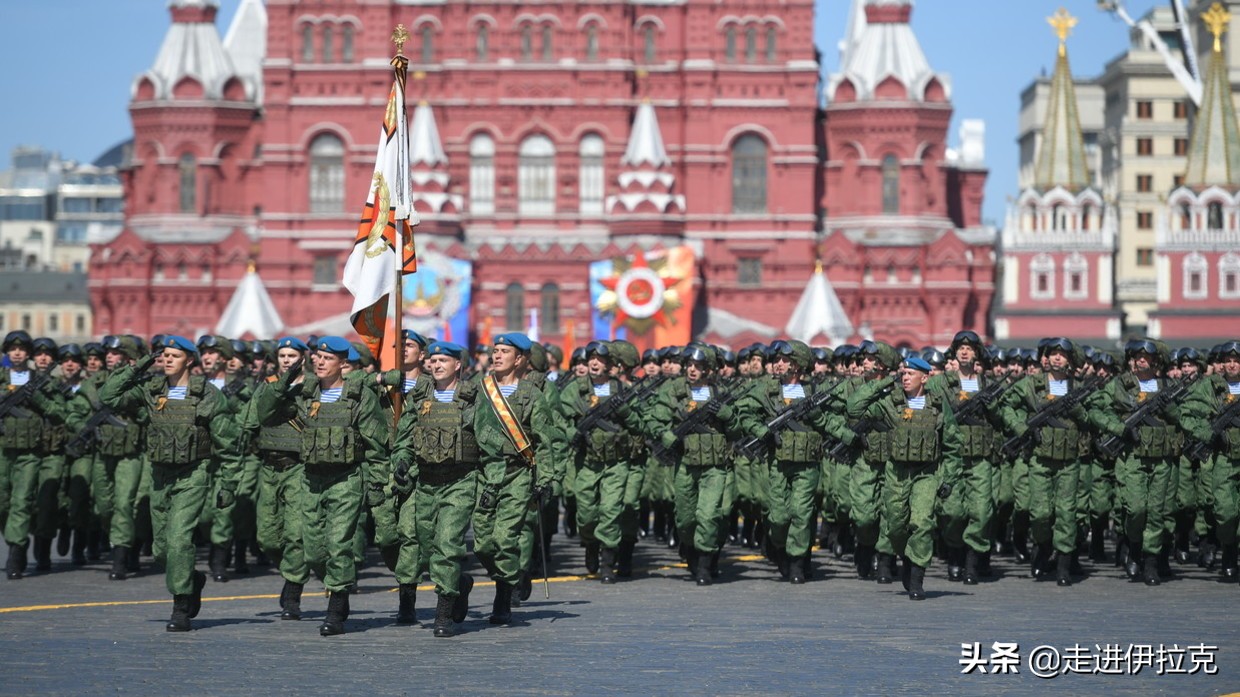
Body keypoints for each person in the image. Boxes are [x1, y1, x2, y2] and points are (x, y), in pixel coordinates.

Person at [100, 336, 242, 631]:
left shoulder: (207, 395)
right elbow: (108, 396)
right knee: (161, 549)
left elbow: (229, 445)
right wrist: (138, 366)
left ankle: (179, 606)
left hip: (193, 474)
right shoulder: (152, 390)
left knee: (178, 540)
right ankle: (193, 578)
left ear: (190, 360)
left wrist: (228, 484)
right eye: (163, 355)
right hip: (160, 475)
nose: (166, 360)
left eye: (173, 356)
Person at [256, 336, 390, 636]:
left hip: (345, 479)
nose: (318, 362)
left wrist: (378, 485)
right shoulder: (305, 393)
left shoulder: (358, 397)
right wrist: (284, 380)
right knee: (314, 551)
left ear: (343, 364)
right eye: (316, 357)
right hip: (311, 478)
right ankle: (334, 588)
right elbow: (264, 414)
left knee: (339, 543)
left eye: (326, 359)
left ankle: (336, 607)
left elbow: (376, 446)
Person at [848, 356, 961, 600]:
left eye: (911, 374)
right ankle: (908, 557)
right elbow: (854, 408)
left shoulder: (938, 406)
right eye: (903, 373)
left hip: (926, 474)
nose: (905, 378)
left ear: (925, 377)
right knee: (896, 526)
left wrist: (949, 479)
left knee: (921, 523)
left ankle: (917, 577)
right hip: (897, 473)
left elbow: (952, 445)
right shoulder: (891, 403)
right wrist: (883, 382)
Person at [391, 341, 478, 636]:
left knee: (446, 546)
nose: (437, 365)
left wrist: (491, 483)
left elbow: (489, 444)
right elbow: (404, 437)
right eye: (434, 360)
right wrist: (402, 461)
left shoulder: (472, 398)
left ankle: (443, 616)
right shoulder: (420, 397)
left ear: (458, 365)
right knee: (427, 550)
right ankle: (460, 585)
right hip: (426, 482)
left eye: (444, 360)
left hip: (459, 482)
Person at [473, 332, 558, 623]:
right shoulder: (479, 389)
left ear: (519, 359)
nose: (496, 356)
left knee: (504, 537)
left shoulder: (531, 395)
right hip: (485, 475)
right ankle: (509, 576)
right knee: (482, 542)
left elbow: (545, 441)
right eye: (494, 351)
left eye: (504, 352)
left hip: (517, 474)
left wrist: (545, 479)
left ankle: (503, 597)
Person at [650, 344, 747, 585]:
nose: (692, 370)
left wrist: (727, 415)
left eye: (699, 366)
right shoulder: (673, 391)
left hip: (715, 466)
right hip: (685, 463)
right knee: (685, 519)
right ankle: (691, 548)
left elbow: (736, 431)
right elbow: (654, 420)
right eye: (690, 365)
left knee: (709, 514)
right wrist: (665, 435)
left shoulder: (720, 393)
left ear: (708, 369)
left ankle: (705, 562)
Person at [242, 337, 311, 620]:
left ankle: (293, 589)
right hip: (269, 468)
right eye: (282, 355)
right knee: (267, 537)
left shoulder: (312, 387)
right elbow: (257, 416)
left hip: (298, 467)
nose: (286, 360)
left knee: (295, 533)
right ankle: (290, 572)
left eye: (292, 355)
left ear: (302, 358)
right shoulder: (268, 385)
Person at [2, 331, 68, 579]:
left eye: (21, 349)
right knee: (2, 502)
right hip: (3, 449)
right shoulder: (1, 377)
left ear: (27, 354)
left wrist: (37, 398)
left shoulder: (41, 382)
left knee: (21, 501)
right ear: (7, 353)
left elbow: (59, 413)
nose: (17, 353)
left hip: (30, 452)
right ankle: (15, 537)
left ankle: (16, 553)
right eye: (12, 349)